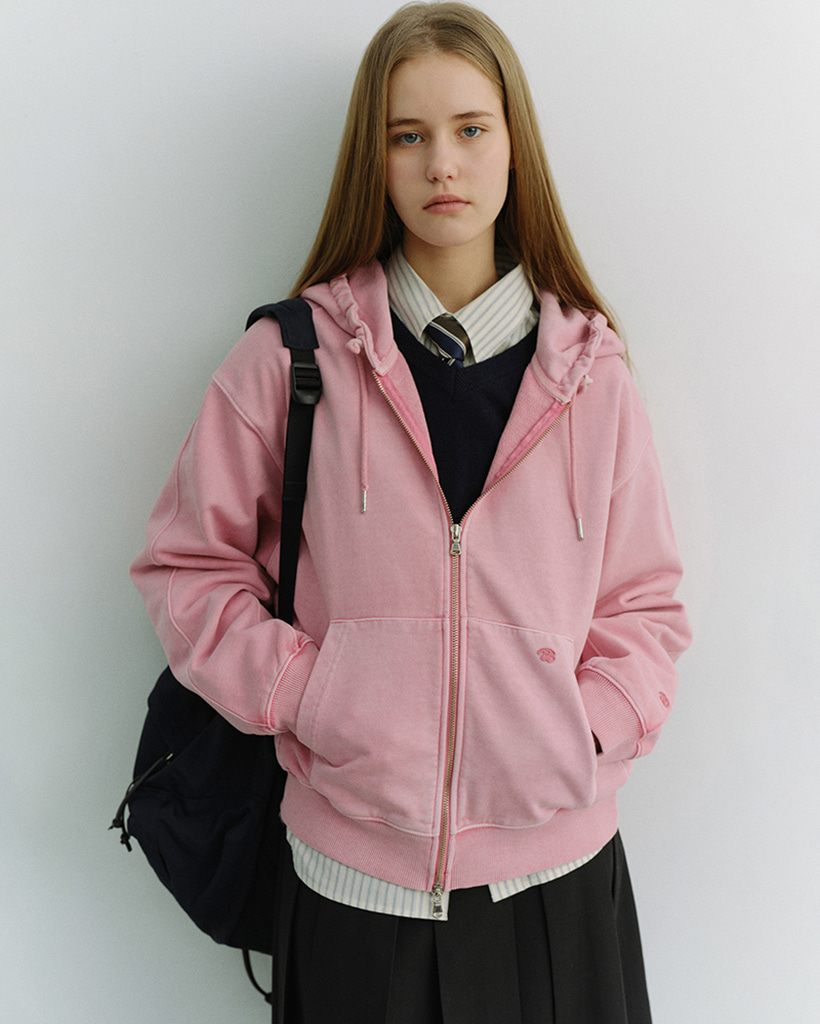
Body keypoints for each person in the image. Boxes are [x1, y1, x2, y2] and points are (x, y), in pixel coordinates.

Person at [131, 3, 691, 1021]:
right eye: (408, 135)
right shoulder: (287, 361)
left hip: (559, 891)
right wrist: (311, 695)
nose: (443, 163)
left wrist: (583, 734)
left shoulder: (593, 377)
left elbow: (644, 605)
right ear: (375, 158)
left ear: (514, 146)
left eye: (471, 128)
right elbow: (187, 570)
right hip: (354, 896)